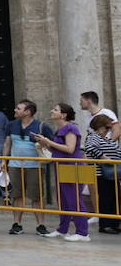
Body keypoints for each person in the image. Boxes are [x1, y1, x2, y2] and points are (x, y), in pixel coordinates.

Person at [37, 103, 88, 241]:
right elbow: (57, 150)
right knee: (63, 199)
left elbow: (70, 149)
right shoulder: (58, 130)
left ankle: (83, 232)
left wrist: (50, 142)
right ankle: (63, 229)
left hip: (73, 166)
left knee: (74, 199)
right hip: (61, 166)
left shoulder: (71, 128)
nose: (52, 111)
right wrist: (45, 144)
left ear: (64, 114)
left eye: (55, 110)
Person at [1, 100, 51, 235]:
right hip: (15, 165)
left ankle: (41, 224)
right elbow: (7, 143)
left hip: (35, 165)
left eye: (19, 108)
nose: (15, 110)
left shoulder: (42, 126)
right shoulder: (11, 125)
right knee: (16, 195)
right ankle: (17, 223)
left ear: (27, 112)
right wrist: (4, 160)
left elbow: (50, 145)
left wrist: (42, 142)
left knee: (37, 196)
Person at [83, 114, 120, 234]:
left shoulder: (106, 139)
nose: (108, 130)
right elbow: (89, 148)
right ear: (100, 126)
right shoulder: (93, 137)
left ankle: (114, 223)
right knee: (106, 199)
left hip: (113, 174)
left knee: (115, 199)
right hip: (101, 174)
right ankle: (105, 225)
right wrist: (104, 158)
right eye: (106, 128)